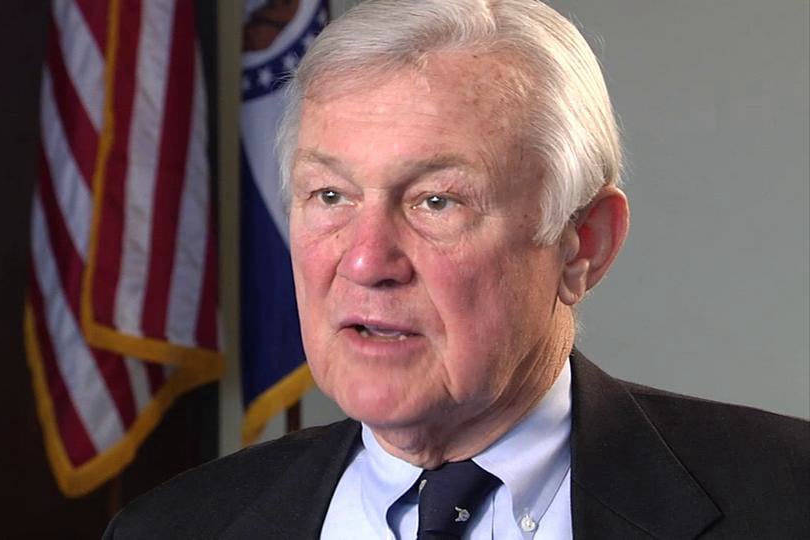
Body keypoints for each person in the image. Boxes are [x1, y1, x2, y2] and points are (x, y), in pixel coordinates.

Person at [104, 0, 809, 538]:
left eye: (436, 201)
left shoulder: (787, 499)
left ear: (582, 244)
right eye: (331, 196)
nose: (365, 261)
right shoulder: (168, 528)